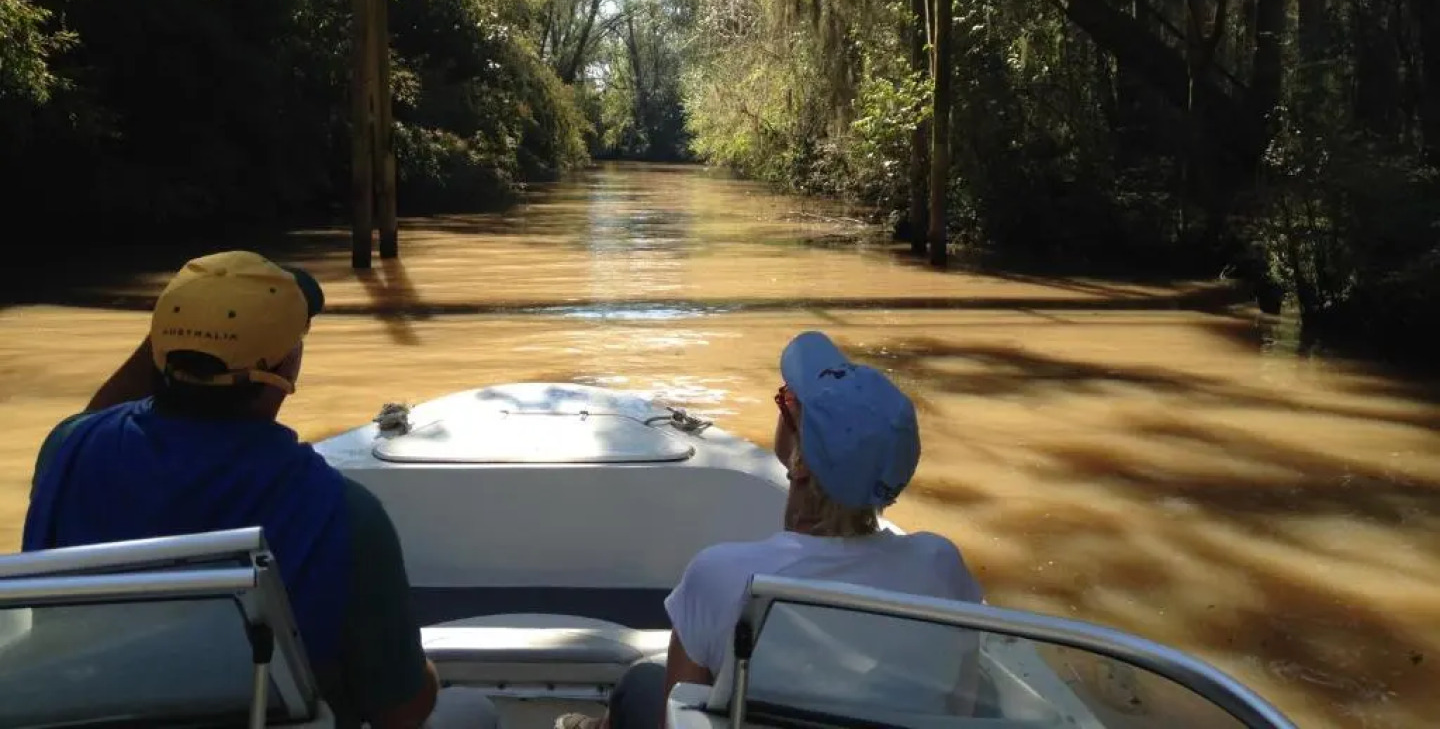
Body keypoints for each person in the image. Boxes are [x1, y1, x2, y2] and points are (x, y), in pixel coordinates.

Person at [23, 250, 497, 729]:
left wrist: (193, 318)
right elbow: (402, 713)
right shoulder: (341, 513)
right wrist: (422, 676)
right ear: (287, 368)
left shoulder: (68, 451)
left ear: (159, 348)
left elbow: (99, 417)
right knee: (473, 712)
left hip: (92, 710)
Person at [556, 331, 984, 729]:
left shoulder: (721, 576)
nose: (781, 408)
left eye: (786, 405)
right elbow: (958, 708)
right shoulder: (942, 567)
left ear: (799, 461)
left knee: (640, 686)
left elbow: (680, 721)